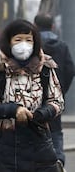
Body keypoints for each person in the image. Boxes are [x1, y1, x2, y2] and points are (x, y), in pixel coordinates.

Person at [0, 19, 65, 171]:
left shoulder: (45, 68)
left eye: (28, 40)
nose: (23, 44)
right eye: (18, 39)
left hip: (40, 144)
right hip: (5, 147)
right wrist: (13, 110)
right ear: (9, 42)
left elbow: (57, 101)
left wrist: (41, 113)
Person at [34, 13, 75, 171]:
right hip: (55, 97)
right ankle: (58, 158)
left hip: (34, 94)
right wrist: (61, 89)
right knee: (56, 129)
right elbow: (70, 69)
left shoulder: (34, 46)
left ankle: (41, 161)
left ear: (35, 26)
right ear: (53, 26)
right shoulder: (62, 45)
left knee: (37, 128)